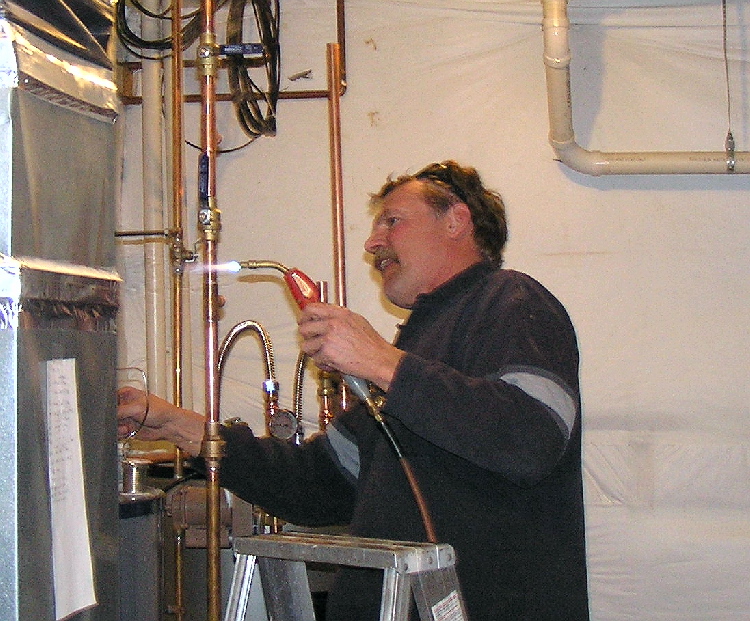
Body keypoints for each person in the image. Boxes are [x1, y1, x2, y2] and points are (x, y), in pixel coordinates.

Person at [118, 161, 590, 620]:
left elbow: (531, 438)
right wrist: (175, 424)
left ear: (456, 220)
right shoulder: (414, 350)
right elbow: (314, 485)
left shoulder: (511, 300)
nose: (372, 242)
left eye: (393, 220)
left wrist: (380, 361)